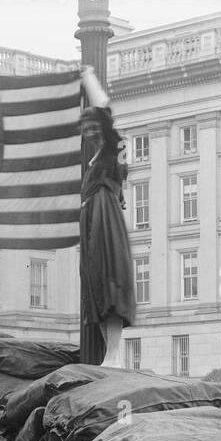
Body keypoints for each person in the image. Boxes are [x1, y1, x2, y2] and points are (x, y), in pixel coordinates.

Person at [77, 93, 136, 368]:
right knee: (96, 287)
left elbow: (106, 108)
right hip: (91, 220)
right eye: (85, 128)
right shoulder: (99, 157)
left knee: (109, 281)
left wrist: (88, 76)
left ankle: (113, 355)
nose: (89, 132)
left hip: (104, 219)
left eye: (93, 126)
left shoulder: (114, 147)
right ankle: (108, 356)